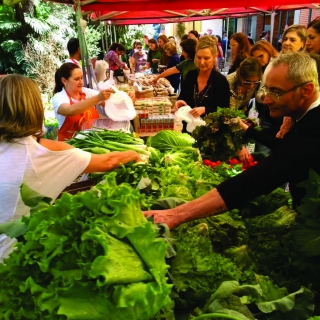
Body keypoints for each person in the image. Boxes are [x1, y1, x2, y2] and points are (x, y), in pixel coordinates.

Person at [145, 52, 320, 229]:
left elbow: (258, 179)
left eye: (275, 92)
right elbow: (287, 149)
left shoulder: (313, 127)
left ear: (306, 91)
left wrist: (177, 214)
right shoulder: (306, 119)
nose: (266, 99)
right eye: (265, 89)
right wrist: (250, 131)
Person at [0, 74, 141, 261]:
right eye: (76, 78)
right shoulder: (41, 152)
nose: (80, 81)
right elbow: (108, 162)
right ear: (34, 108)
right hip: (12, 259)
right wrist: (135, 154)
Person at [174, 35, 230, 123]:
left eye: (206, 58)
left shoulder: (221, 81)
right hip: (188, 128)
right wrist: (179, 102)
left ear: (214, 58)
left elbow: (225, 111)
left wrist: (205, 109)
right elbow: (183, 98)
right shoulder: (190, 75)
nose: (202, 62)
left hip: (209, 131)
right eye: (199, 57)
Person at [51, 63, 113, 141]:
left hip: (92, 141)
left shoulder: (86, 92)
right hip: (70, 144)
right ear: (64, 80)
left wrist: (125, 97)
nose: (81, 82)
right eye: (76, 79)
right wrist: (98, 98)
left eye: (81, 78)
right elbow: (69, 110)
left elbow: (110, 101)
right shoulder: (59, 98)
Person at [226, 57, 262, 163]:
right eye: (247, 82)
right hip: (226, 123)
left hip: (238, 119)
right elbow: (229, 118)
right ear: (240, 76)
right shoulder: (229, 83)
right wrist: (239, 146)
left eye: (254, 83)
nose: (251, 86)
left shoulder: (257, 82)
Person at [250, 41, 281, 156]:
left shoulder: (275, 65)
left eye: (261, 56)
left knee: (266, 147)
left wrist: (263, 96)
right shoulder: (259, 68)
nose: (259, 60)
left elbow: (260, 93)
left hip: (275, 113)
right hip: (265, 111)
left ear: (269, 52)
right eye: (255, 58)